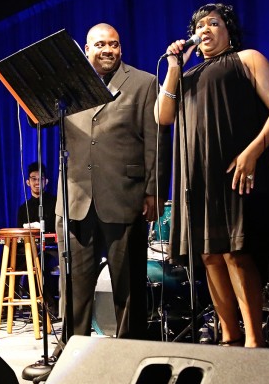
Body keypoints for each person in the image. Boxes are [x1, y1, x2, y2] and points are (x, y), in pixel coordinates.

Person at [157, 3, 269, 348]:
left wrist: (252, 152)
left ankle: (254, 339)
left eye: (214, 23)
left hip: (236, 169)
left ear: (228, 31)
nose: (205, 30)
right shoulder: (187, 76)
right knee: (208, 254)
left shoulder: (247, 59)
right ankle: (229, 338)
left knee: (236, 252)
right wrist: (174, 68)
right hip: (197, 178)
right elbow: (163, 116)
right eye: (200, 25)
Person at [56, 23, 168, 343]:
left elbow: (156, 139)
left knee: (128, 284)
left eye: (115, 44)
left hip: (125, 194)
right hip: (76, 197)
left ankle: (131, 352)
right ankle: (71, 352)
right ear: (87, 49)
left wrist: (154, 190)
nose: (109, 50)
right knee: (74, 285)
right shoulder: (68, 85)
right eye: (101, 45)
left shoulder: (145, 83)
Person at [14, 161, 58, 307]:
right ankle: (8, 306)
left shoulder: (55, 203)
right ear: (28, 182)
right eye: (33, 179)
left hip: (50, 250)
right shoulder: (23, 208)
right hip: (28, 249)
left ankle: (48, 304)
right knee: (10, 259)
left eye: (40, 179)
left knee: (39, 261)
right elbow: (20, 235)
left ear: (46, 181)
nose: (37, 182)